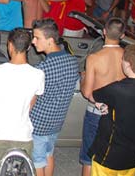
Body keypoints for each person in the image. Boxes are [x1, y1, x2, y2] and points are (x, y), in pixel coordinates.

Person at [0, 29, 45, 176]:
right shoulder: (38, 75)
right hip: (22, 136)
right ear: (28, 47)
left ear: (10, 45)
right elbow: (30, 105)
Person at [89, 45, 135, 175]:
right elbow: (131, 107)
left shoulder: (118, 89)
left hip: (109, 154)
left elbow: (93, 95)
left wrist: (101, 105)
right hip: (133, 156)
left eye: (123, 59)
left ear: (128, 64)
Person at [29, 18, 79, 176]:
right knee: (48, 155)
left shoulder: (42, 69)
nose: (33, 42)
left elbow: (31, 99)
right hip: (57, 122)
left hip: (39, 123)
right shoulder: (72, 61)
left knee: (37, 161)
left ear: (50, 40)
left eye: (37, 38)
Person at [79, 18, 126, 176]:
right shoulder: (127, 57)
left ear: (104, 32)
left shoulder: (94, 58)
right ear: (123, 35)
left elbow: (87, 92)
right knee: (110, 157)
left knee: (89, 157)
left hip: (96, 112)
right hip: (118, 113)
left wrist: (83, 77)